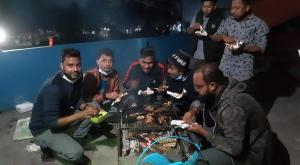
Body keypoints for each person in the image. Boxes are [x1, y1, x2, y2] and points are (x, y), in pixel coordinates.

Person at [183, 63, 271, 165]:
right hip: (235, 139)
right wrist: (193, 111)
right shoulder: (224, 85)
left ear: (212, 85)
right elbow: (204, 102)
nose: (196, 91)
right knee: (195, 104)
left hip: (249, 154)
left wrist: (203, 132)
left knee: (198, 161)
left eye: (198, 87)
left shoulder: (231, 108)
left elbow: (235, 148)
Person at [29, 48, 98, 164]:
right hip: (43, 128)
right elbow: (52, 123)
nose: (75, 69)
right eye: (70, 65)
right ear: (61, 66)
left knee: (94, 107)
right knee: (77, 153)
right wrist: (81, 114)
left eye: (78, 65)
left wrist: (84, 107)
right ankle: (44, 146)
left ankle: (75, 139)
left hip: (61, 115)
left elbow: (77, 99)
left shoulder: (78, 77)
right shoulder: (53, 88)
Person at [209, 0, 269, 81]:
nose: (232, 11)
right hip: (224, 69)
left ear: (247, 8)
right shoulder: (229, 20)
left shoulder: (259, 24)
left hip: (242, 73)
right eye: (232, 8)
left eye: (237, 8)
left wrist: (242, 48)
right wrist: (223, 36)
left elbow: (261, 48)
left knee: (239, 94)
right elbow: (215, 37)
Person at [158, 50, 200, 115]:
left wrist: (192, 111)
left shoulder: (194, 78)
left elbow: (199, 101)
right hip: (175, 110)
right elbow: (168, 96)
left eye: (171, 68)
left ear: (182, 70)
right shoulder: (171, 76)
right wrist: (162, 92)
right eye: (168, 67)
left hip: (191, 112)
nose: (168, 70)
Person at [187, 0, 224, 68]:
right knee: (193, 77)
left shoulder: (220, 19)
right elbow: (188, 31)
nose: (206, 9)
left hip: (210, 59)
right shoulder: (198, 15)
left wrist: (206, 35)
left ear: (214, 7)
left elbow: (220, 38)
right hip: (195, 56)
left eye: (209, 7)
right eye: (204, 6)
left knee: (208, 78)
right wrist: (193, 27)